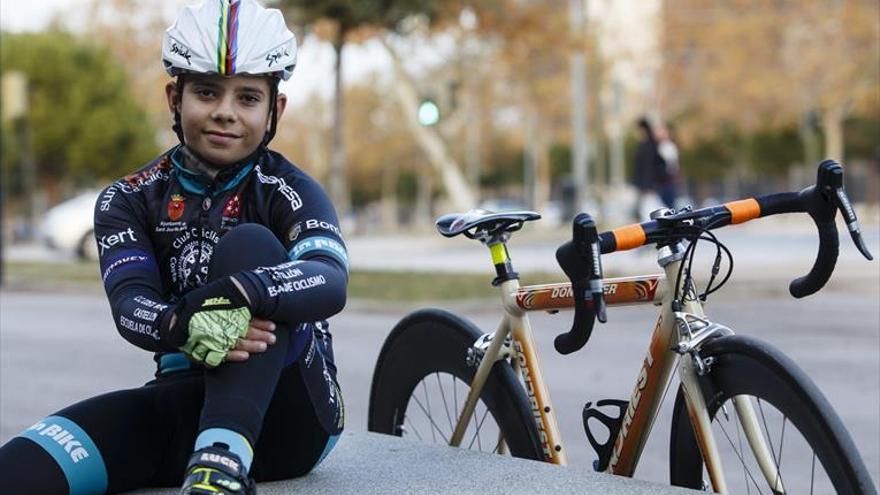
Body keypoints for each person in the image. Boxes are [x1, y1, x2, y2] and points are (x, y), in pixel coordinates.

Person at [0, 1, 348, 494]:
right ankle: (210, 459)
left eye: (248, 97)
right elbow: (130, 305)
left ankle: (220, 463)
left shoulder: (288, 188)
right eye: (207, 91)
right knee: (22, 468)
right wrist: (179, 323)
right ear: (174, 98)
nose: (225, 112)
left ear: (276, 110)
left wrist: (238, 292)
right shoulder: (128, 198)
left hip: (291, 418)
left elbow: (329, 279)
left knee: (249, 244)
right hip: (183, 398)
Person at [631, 117, 665, 220]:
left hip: (649, 185)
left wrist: (650, 184)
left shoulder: (649, 146)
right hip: (646, 184)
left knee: (649, 210)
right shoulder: (648, 145)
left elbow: (653, 166)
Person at [654, 121, 681, 209]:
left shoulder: (669, 146)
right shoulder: (657, 146)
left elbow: (673, 166)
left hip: (667, 181)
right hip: (660, 182)